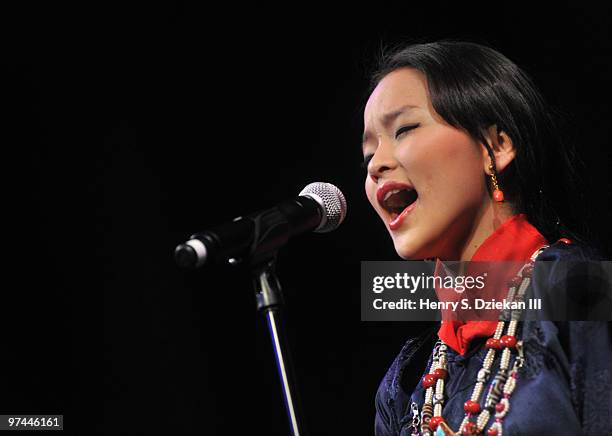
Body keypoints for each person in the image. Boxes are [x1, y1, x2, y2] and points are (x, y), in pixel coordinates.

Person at [361, 41, 612, 435]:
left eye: (404, 129)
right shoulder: (407, 384)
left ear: (496, 146)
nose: (376, 164)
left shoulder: (579, 292)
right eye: (368, 155)